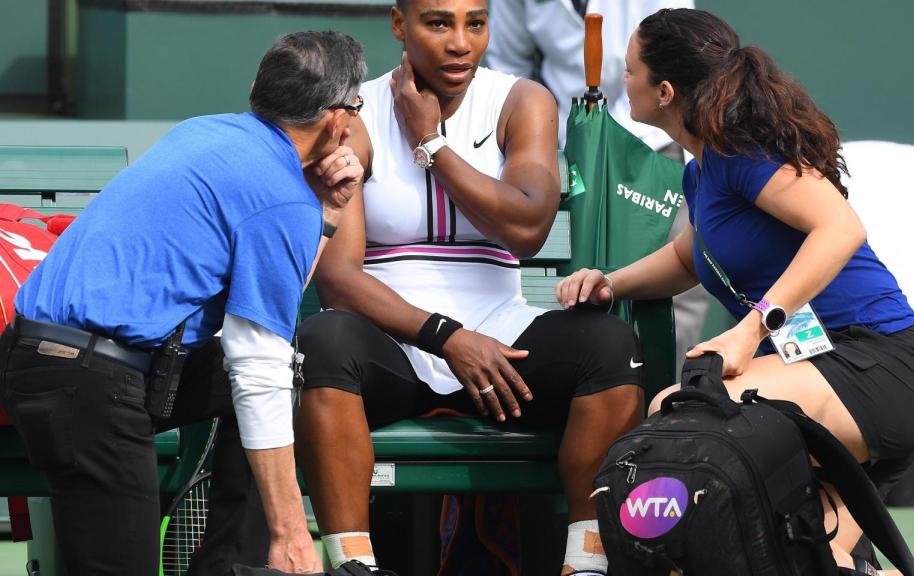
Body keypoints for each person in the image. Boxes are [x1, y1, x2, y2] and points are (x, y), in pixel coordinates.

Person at [556, 8, 914, 576]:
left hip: (879, 366)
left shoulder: (740, 153)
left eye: (628, 70)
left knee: (680, 415)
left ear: (665, 91)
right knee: (812, 568)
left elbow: (842, 226)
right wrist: (611, 281)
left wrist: (752, 329)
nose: (620, 81)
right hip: (822, 380)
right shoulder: (701, 170)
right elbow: (688, 257)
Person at [0, 31, 368, 575]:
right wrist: (293, 534)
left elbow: (270, 300)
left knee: (280, 371)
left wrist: (327, 210)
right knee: (266, 372)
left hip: (49, 361)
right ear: (339, 120)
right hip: (87, 386)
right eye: (356, 110)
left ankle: (227, 566)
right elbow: (257, 359)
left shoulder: (205, 131)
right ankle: (267, 554)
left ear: (257, 90)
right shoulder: (280, 196)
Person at [294, 1, 643, 575]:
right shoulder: (354, 114)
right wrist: (447, 337)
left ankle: (587, 563)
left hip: (501, 339)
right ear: (399, 24)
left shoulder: (521, 101)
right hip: (396, 344)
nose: (460, 42)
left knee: (609, 347)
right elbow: (338, 278)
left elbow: (529, 228)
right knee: (324, 340)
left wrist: (432, 143)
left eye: (475, 23)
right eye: (438, 23)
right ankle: (353, 564)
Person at [487, 0, 710, 376]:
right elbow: (510, 66)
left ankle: (668, 400)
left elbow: (674, 56)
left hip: (652, 139)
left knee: (677, 286)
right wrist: (564, 131)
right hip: (565, 146)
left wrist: (606, 133)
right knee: (574, 280)